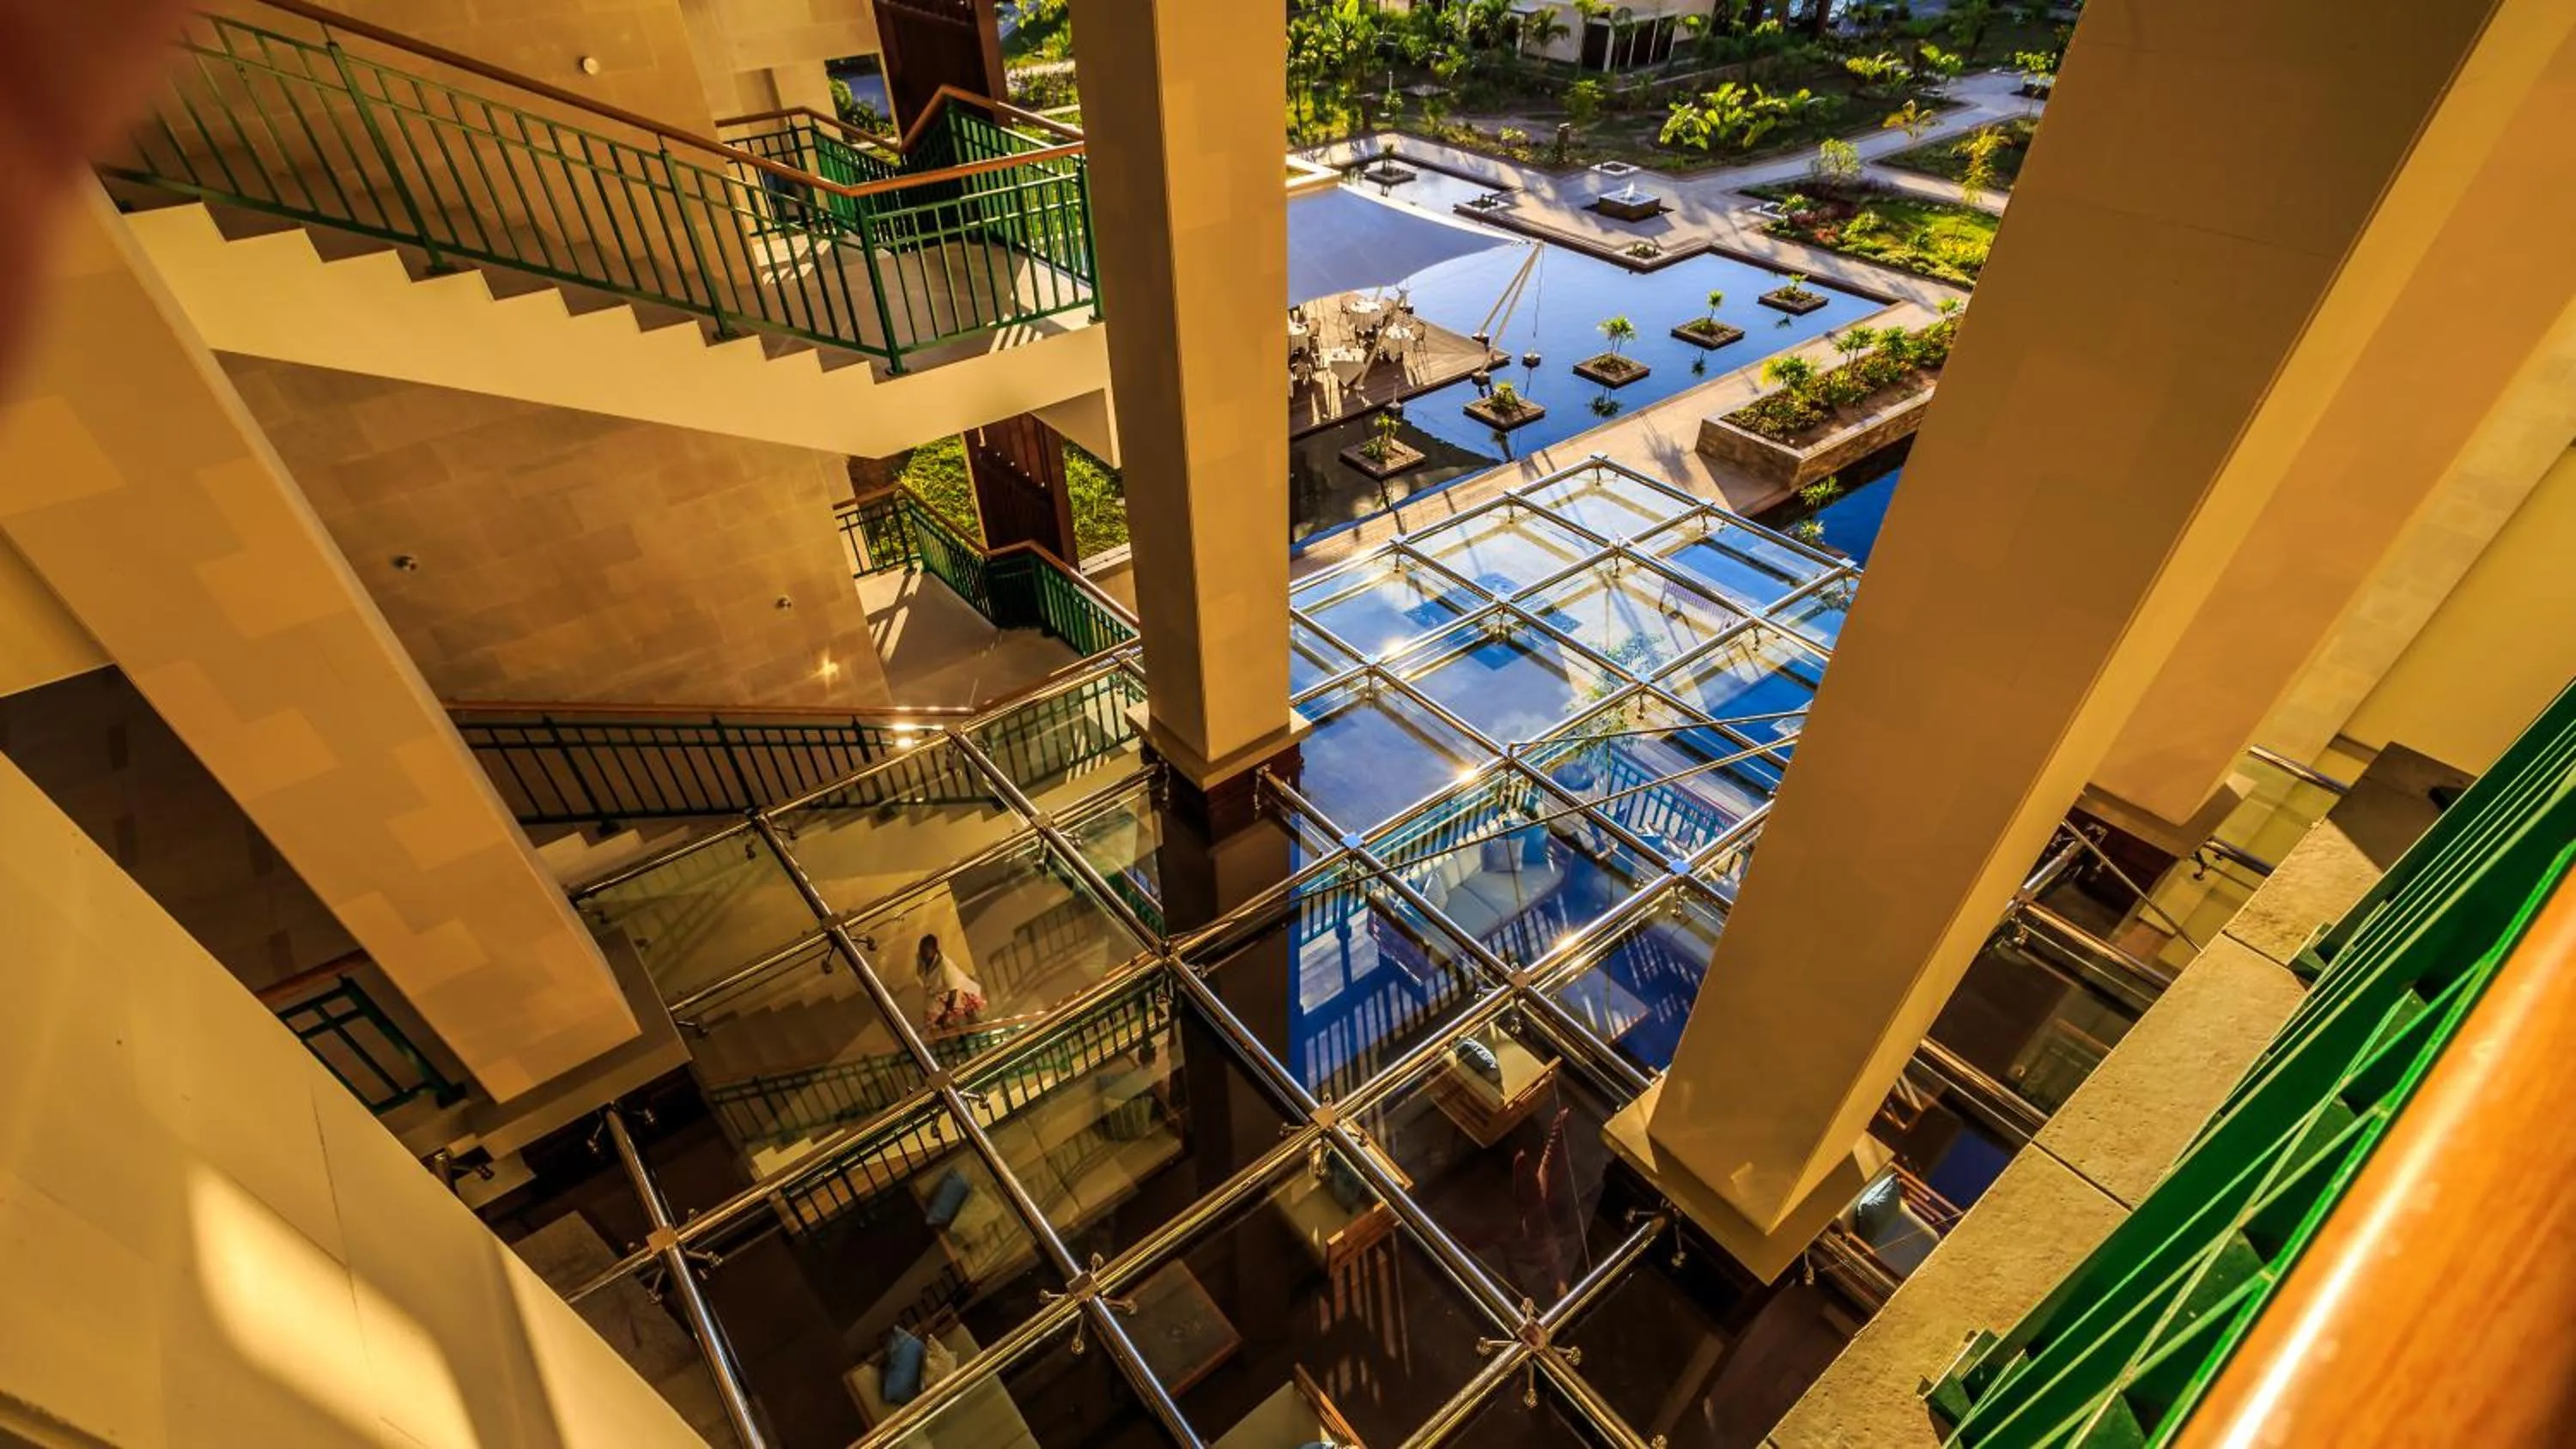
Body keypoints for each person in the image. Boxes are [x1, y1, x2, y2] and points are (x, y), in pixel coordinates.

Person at [915, 931, 987, 1031]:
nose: (923, 955)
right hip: (939, 993)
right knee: (933, 1018)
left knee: (968, 1017)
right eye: (921, 951)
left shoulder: (946, 967)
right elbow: (924, 978)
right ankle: (953, 1032)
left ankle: (976, 1028)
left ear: (934, 950)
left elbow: (953, 993)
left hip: (957, 991)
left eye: (925, 952)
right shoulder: (922, 961)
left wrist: (946, 1014)